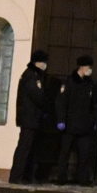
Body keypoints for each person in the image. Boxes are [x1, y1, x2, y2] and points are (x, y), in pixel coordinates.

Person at [10, 49, 59, 184]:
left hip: (31, 119)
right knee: (24, 148)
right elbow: (37, 96)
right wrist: (49, 103)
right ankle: (16, 177)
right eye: (44, 62)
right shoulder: (31, 76)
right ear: (39, 63)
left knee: (29, 149)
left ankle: (25, 176)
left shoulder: (32, 75)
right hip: (29, 119)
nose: (45, 65)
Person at [57, 56, 97, 184]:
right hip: (69, 125)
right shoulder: (69, 82)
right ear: (82, 67)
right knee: (64, 153)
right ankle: (61, 178)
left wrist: (93, 121)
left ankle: (83, 179)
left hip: (85, 126)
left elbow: (94, 105)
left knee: (84, 154)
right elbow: (61, 102)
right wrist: (61, 120)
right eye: (89, 67)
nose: (90, 70)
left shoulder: (90, 84)